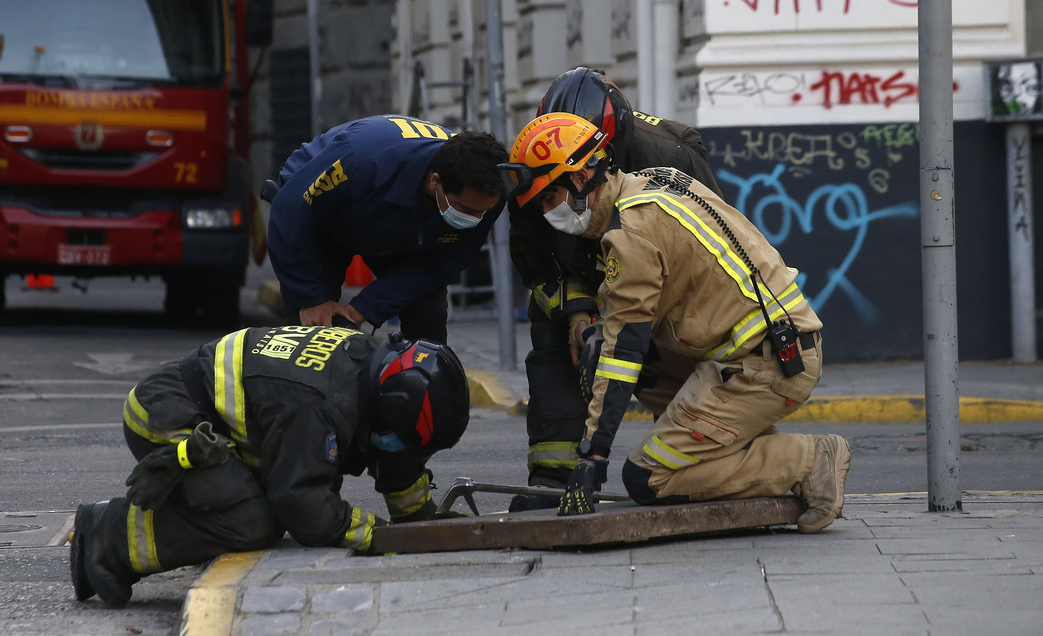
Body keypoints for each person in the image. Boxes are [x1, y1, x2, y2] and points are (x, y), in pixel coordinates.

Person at [499, 113, 850, 533]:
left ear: (582, 176)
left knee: (649, 478)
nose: (547, 210)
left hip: (761, 366)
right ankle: (748, 452)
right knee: (634, 362)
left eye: (549, 195)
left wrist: (593, 457)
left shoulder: (630, 234)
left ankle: (808, 461)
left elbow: (621, 354)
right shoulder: (656, 180)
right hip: (768, 346)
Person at [70, 325, 471, 608]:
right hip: (175, 420)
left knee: (278, 494)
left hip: (217, 418)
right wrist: (378, 536)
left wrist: (421, 522)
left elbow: (396, 455)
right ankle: (109, 539)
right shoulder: (320, 404)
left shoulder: (372, 366)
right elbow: (302, 504)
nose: (400, 448)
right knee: (254, 520)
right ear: (392, 404)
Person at [506, 67, 724, 509]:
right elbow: (538, 267)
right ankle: (553, 475)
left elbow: (712, 249)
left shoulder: (672, 158)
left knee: (644, 349)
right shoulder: (534, 164)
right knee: (552, 333)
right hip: (583, 281)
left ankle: (704, 447)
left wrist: (619, 321)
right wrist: (579, 318)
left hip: (656, 284)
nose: (578, 176)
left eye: (586, 165)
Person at [265, 115, 509, 344]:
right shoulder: (360, 159)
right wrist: (311, 299)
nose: (476, 219)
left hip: (399, 225)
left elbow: (436, 268)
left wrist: (363, 309)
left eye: (483, 212)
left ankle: (425, 383)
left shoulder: (489, 190)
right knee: (312, 327)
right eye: (464, 209)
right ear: (436, 181)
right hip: (326, 210)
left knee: (428, 315)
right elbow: (289, 214)